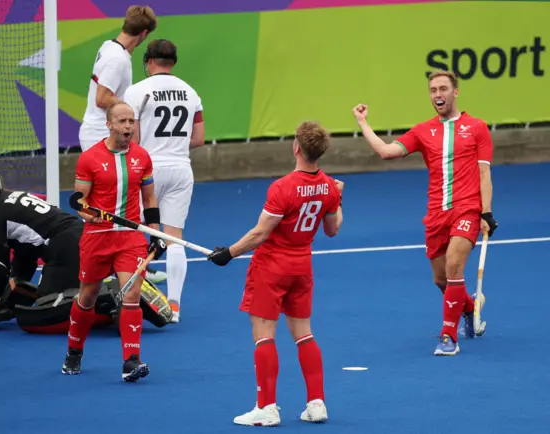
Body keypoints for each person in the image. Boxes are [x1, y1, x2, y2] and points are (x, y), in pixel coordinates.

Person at [352, 69, 498, 356]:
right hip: (435, 214)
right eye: (433, 90)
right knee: (441, 279)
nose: (438, 95)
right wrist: (362, 122)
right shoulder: (423, 131)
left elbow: (484, 173)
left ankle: (448, 337)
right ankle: (469, 307)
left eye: (443, 89)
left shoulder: (477, 127)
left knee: (455, 267)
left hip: (467, 209)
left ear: (455, 92)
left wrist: (487, 213)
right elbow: (385, 151)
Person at [208, 121, 343, 426]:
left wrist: (228, 253)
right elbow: (332, 230)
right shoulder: (329, 189)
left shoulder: (282, 187)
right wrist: (338, 198)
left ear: (296, 147)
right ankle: (316, 403)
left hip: (271, 269)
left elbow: (260, 234)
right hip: (302, 268)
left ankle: (266, 407)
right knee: (304, 334)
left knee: (264, 336)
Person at [62, 102, 167, 382]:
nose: (128, 127)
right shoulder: (89, 158)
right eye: (122, 122)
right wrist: (89, 215)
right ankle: (74, 350)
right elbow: (79, 201)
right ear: (109, 124)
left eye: (131, 122)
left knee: (131, 296)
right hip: (96, 238)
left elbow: (150, 200)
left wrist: (155, 234)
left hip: (130, 238)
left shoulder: (142, 157)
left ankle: (130, 362)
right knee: (87, 298)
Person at [123, 39, 205, 323]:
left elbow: (131, 138)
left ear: (148, 61)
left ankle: (132, 298)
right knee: (174, 239)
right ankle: (174, 306)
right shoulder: (190, 92)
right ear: (173, 62)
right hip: (181, 169)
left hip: (148, 170)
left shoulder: (136, 91)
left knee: (133, 234)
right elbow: (198, 138)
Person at [0, 165, 84, 310]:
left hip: (63, 246)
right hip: (79, 233)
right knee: (56, 293)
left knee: (45, 307)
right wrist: (11, 292)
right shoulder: (14, 197)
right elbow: (25, 257)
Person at [78, 5, 157, 152]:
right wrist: (133, 106)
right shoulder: (117, 59)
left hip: (100, 133)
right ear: (144, 33)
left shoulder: (108, 46)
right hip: (100, 136)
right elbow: (102, 98)